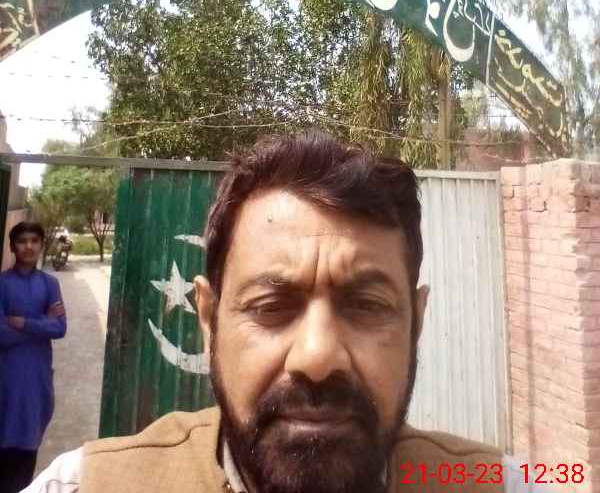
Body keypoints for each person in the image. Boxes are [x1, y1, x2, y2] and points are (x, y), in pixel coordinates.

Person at [25, 132, 558, 492]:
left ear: (416, 323)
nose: (317, 357)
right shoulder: (83, 485)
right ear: (209, 322)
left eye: (367, 306)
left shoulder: (504, 484)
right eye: (271, 306)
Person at [0, 222, 67, 493]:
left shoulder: (50, 284)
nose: (28, 246)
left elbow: (60, 328)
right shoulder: (2, 284)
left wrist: (24, 323)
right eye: (22, 241)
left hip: (36, 382)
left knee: (27, 448)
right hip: (6, 379)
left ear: (41, 245)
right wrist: (42, 322)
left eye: (34, 241)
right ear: (12, 246)